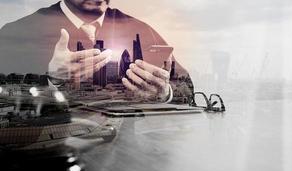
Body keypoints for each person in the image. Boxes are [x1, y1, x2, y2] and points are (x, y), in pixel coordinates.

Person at [0, 0, 193, 103]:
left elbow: (187, 88)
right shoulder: (15, 33)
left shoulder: (141, 30)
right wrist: (50, 78)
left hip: (125, 159)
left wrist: (165, 92)